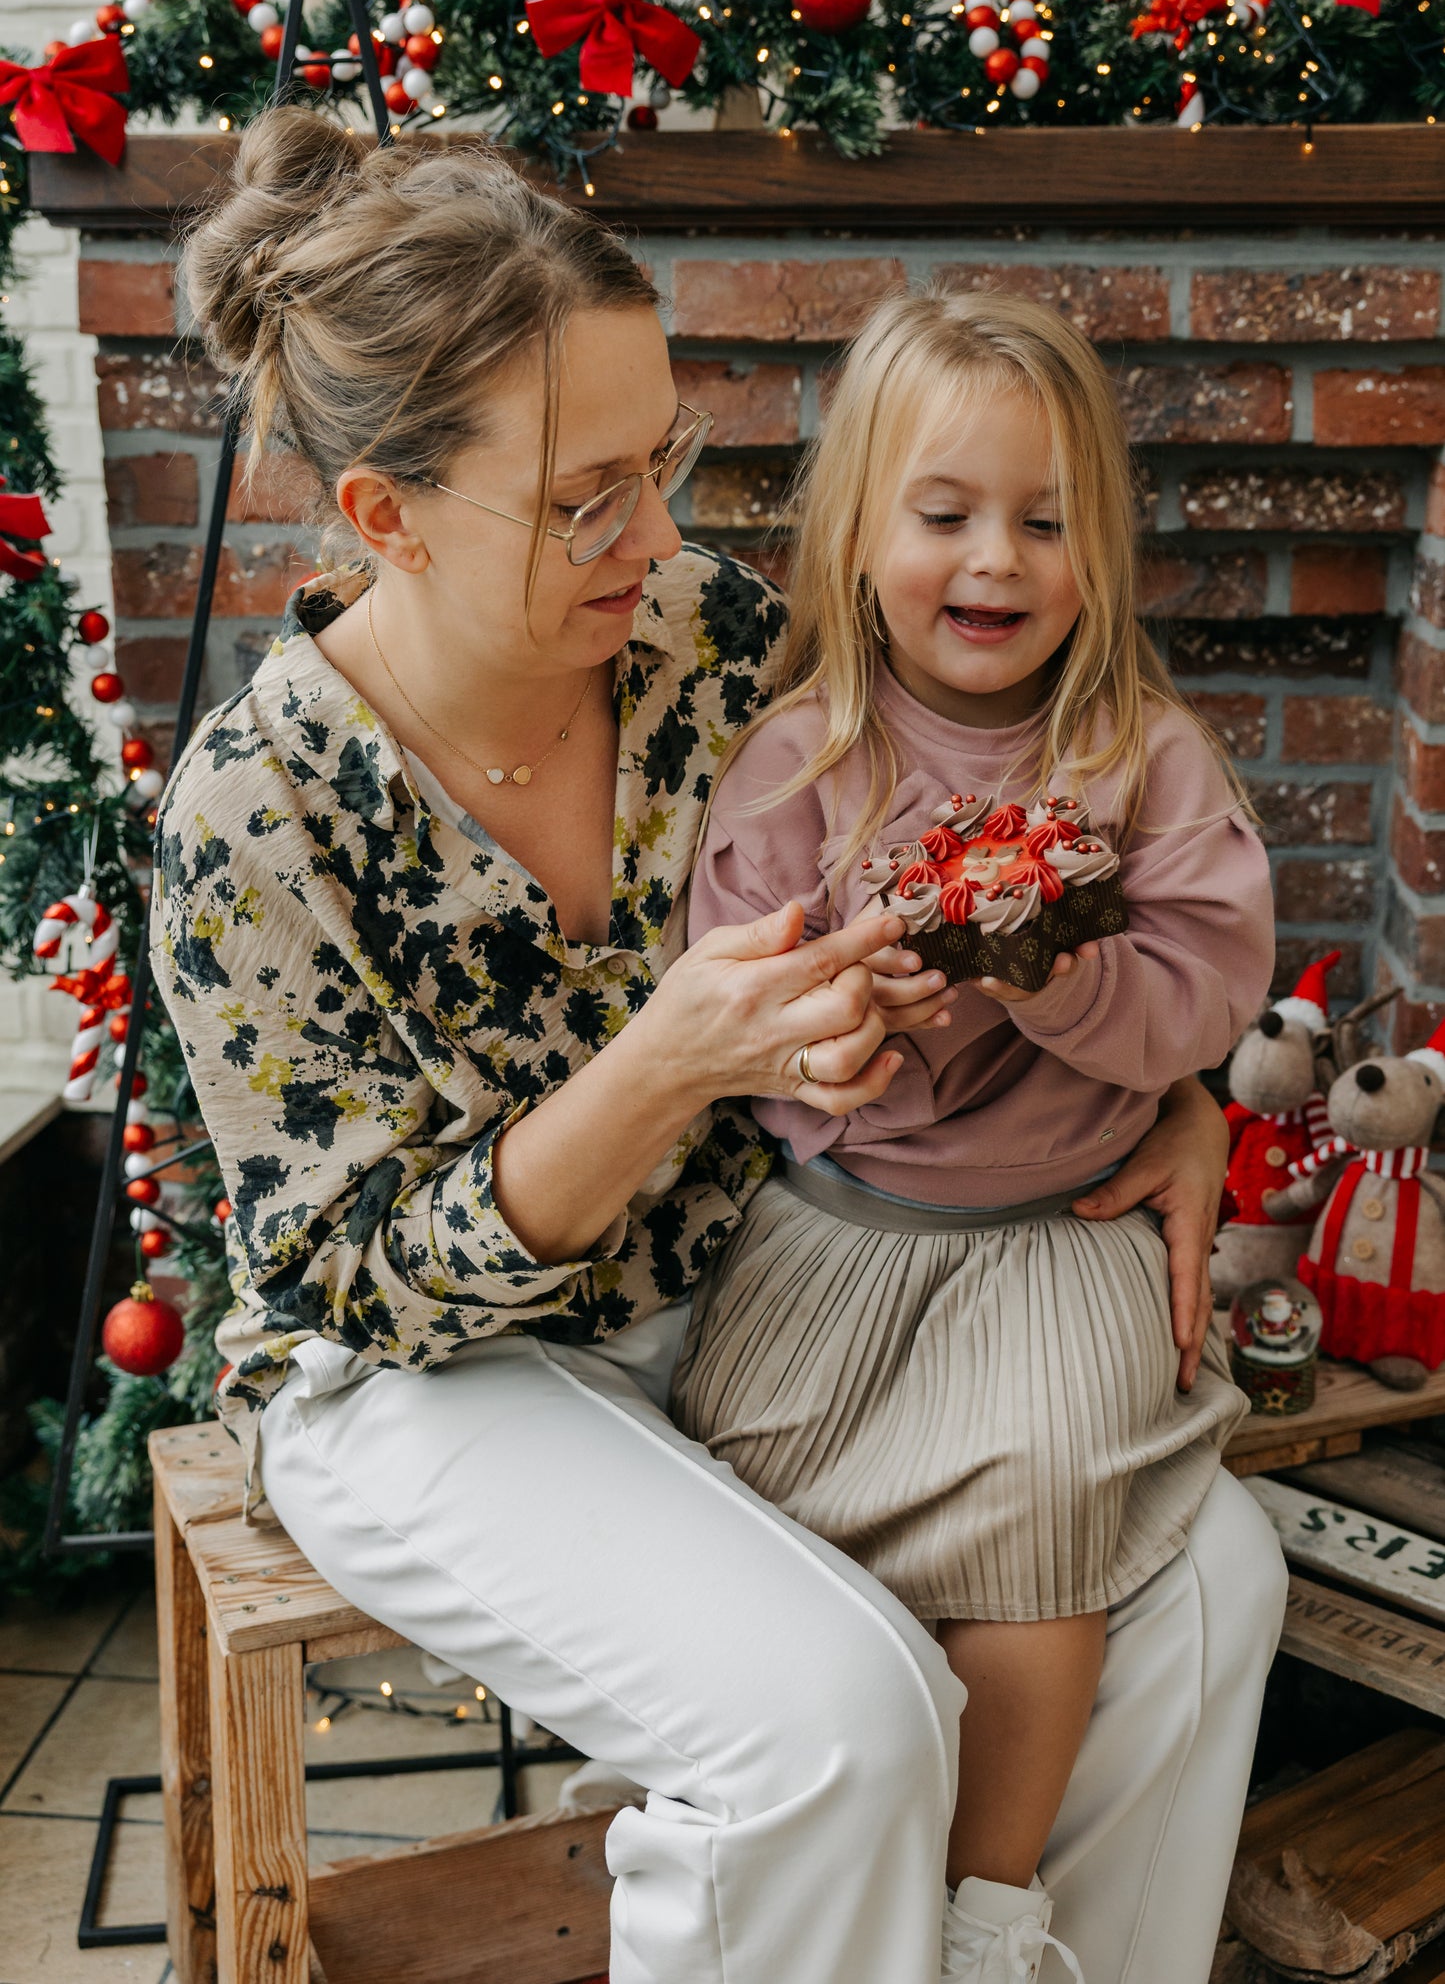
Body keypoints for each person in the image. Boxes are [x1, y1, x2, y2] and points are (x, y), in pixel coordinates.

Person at [153, 108, 1286, 1984]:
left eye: (660, 455)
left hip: (764, 1285)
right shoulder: (253, 816)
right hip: (435, 1385)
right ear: (386, 515)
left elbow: (984, 881)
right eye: (585, 493)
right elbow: (350, 1278)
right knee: (831, 1721)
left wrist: (1163, 1095)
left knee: (1209, 1588)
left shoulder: (701, 634)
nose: (662, 534)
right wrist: (662, 1066)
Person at [676, 287, 1276, 1982]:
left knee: (1037, 1513)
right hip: (840, 1231)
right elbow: (741, 1013)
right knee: (775, 1530)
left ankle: (989, 1910)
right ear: (861, 532)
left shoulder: (1134, 759)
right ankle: (805, 1859)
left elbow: (1206, 991)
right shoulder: (803, 761)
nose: (993, 559)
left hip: (1057, 1236)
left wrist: (1052, 976)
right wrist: (856, 1020)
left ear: (1100, 551)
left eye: (1043, 520)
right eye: (944, 515)